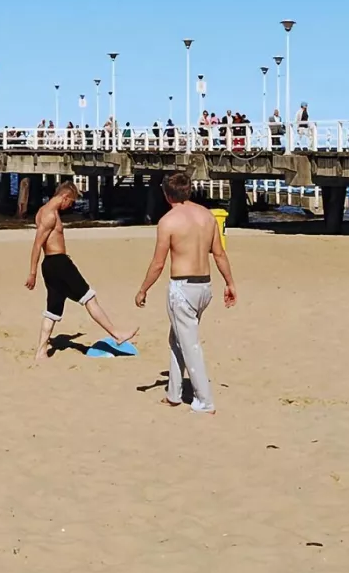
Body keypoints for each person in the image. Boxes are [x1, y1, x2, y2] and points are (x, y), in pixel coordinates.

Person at [134, 172, 238, 414]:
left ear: (166, 194)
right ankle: (174, 393)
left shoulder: (168, 221)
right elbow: (219, 254)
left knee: (189, 344)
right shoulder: (207, 216)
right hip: (205, 286)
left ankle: (205, 401)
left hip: (183, 288)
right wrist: (229, 282)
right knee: (177, 339)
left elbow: (158, 263)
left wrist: (143, 289)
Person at [24, 181, 134, 361]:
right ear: (64, 197)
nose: (71, 205)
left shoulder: (43, 211)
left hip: (52, 264)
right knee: (89, 298)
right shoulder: (50, 215)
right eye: (71, 202)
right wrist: (32, 273)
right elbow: (37, 245)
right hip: (59, 264)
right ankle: (117, 334)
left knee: (53, 309)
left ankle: (41, 351)